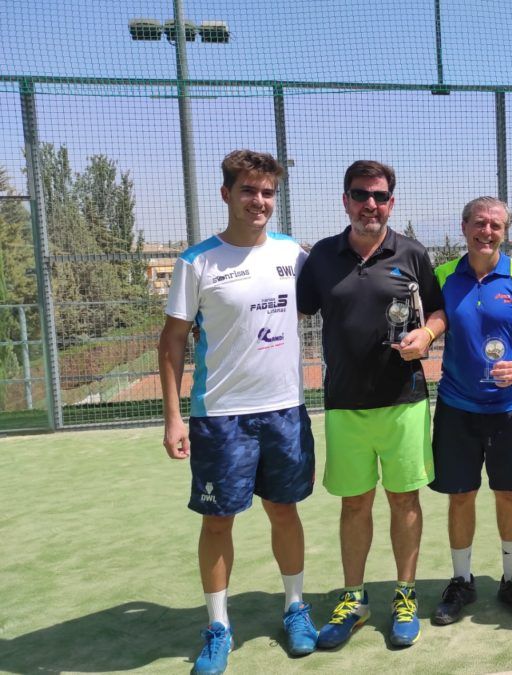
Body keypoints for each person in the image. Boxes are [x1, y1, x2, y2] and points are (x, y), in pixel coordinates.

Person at [159, 150, 316, 675]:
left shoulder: (294, 255)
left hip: (285, 412)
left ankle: (295, 607)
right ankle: (218, 626)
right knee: (218, 521)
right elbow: (172, 343)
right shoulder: (196, 261)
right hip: (220, 416)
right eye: (249, 191)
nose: (259, 202)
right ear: (226, 194)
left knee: (284, 511)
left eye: (268, 192)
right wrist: (174, 417)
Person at [296, 160, 447, 648]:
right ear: (345, 200)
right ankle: (354, 598)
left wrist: (426, 333)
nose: (371, 205)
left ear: (391, 203)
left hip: (404, 401)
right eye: (361, 195)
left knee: (404, 500)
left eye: (380, 196)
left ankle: (405, 594)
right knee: (354, 503)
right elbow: (292, 312)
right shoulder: (320, 257)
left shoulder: (413, 253)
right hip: (343, 405)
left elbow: (438, 310)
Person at [429, 197, 512, 625]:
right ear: (463, 227)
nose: (487, 231)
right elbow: (431, 323)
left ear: (505, 232)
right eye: (479, 223)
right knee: (460, 495)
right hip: (456, 407)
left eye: (496, 226)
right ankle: (461, 580)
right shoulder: (442, 276)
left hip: (510, 409)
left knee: (508, 494)